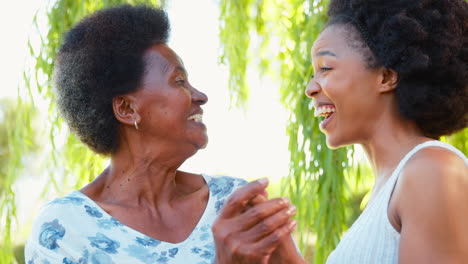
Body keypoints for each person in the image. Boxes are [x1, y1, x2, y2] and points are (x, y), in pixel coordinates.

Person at [24, 5, 296, 263]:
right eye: (179, 81)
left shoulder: (234, 203)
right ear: (127, 109)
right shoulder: (64, 231)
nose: (201, 96)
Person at [213, 0, 468, 263]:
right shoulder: (395, 185)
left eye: (325, 68)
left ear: (386, 77)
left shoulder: (432, 170)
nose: (310, 88)